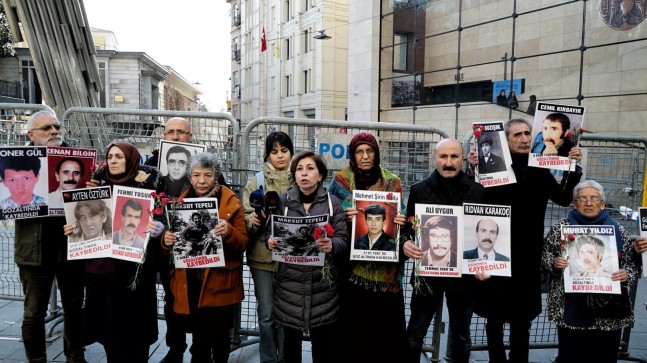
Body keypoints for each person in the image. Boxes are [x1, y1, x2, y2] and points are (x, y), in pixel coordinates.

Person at [467, 118, 583, 363]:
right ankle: (496, 360)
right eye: (517, 134)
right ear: (506, 140)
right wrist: (473, 170)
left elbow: (563, 198)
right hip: (495, 249)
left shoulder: (539, 168)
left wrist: (574, 168)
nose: (523, 138)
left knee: (523, 318)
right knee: (494, 316)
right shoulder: (492, 167)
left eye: (527, 133)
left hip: (528, 254)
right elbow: (474, 200)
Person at [66, 141, 161, 363]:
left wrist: (157, 228)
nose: (114, 160)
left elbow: (163, 220)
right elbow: (84, 225)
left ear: (131, 159)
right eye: (110, 157)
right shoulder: (94, 188)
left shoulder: (149, 187)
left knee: (137, 336)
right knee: (111, 335)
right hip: (105, 276)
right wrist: (72, 228)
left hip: (136, 275)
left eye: (119, 156)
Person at [402, 138, 486, 363]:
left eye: (454, 156)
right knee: (415, 333)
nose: (448, 162)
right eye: (443, 156)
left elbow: (484, 234)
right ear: (435, 158)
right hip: (427, 275)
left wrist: (483, 263)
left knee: (461, 336)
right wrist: (406, 244)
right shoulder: (419, 190)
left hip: (464, 278)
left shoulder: (478, 191)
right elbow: (408, 230)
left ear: (463, 158)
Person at [13, 111, 87, 363]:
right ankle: (36, 359)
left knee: (74, 307)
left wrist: (90, 191)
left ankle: (75, 356)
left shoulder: (77, 162)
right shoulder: (15, 162)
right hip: (34, 249)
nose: (54, 131)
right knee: (34, 312)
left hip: (72, 246)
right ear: (31, 134)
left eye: (56, 126)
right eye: (46, 128)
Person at [328, 132, 408, 363]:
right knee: (353, 328)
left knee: (384, 332)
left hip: (386, 274)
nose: (365, 156)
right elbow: (331, 219)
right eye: (359, 151)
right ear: (352, 155)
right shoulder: (341, 181)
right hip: (351, 271)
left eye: (370, 151)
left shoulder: (392, 181)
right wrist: (344, 217)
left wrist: (399, 219)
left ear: (377, 153)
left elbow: (400, 215)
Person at [541, 180, 642, 363]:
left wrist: (626, 274)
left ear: (602, 204)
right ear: (574, 203)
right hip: (569, 307)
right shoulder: (560, 229)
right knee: (570, 358)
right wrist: (554, 262)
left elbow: (632, 266)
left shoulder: (618, 231)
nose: (588, 203)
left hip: (609, 312)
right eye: (582, 199)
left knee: (605, 358)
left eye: (594, 198)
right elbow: (545, 256)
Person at [161, 152, 248, 363]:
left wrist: (228, 232)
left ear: (216, 176)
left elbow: (243, 243)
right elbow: (171, 247)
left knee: (220, 339)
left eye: (208, 175)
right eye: (196, 174)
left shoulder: (229, 200)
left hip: (219, 282)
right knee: (199, 339)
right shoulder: (180, 202)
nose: (202, 180)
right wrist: (166, 240)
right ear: (189, 177)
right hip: (191, 282)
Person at [267, 150, 348, 363]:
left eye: (310, 168)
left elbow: (343, 239)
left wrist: (332, 244)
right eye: (299, 169)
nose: (304, 174)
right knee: (290, 349)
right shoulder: (283, 202)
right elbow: (270, 232)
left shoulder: (333, 204)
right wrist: (271, 241)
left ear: (320, 175)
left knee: (322, 348)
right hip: (289, 289)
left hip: (323, 290)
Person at [145, 116, 207, 363]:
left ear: (190, 137)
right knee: (171, 299)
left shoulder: (204, 164)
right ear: (164, 134)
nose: (175, 136)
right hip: (162, 246)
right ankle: (175, 348)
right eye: (170, 131)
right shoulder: (151, 164)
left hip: (194, 245)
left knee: (198, 299)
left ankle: (199, 351)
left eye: (181, 132)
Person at [242, 131, 294, 363]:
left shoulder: (300, 179)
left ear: (291, 152)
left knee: (288, 316)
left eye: (284, 151)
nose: (280, 156)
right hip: (262, 259)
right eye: (274, 152)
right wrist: (252, 221)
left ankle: (286, 358)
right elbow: (245, 217)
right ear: (267, 155)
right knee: (266, 315)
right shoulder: (256, 183)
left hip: (293, 259)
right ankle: (269, 359)